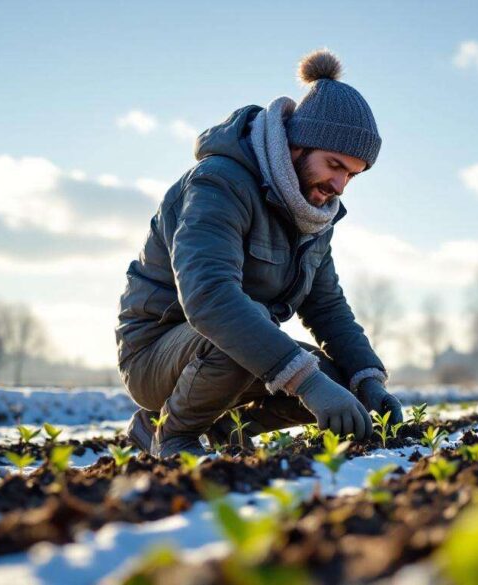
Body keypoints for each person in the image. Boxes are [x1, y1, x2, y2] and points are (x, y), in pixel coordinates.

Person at [114, 49, 403, 458]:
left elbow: (328, 308)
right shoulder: (220, 182)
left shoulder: (312, 214)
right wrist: (307, 385)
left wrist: (368, 381)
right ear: (298, 144)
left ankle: (218, 427)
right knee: (242, 339)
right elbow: (209, 298)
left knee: (337, 376)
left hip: (227, 349)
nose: (339, 185)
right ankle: (169, 432)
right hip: (157, 353)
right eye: (333, 164)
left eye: (351, 175)